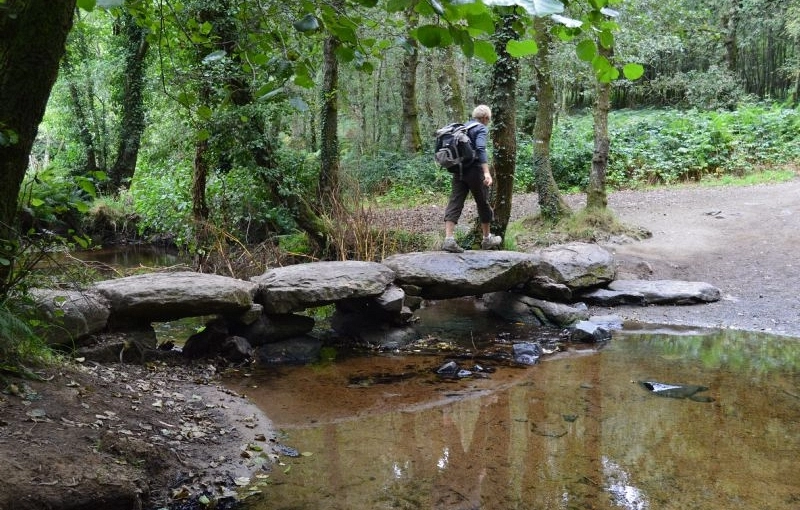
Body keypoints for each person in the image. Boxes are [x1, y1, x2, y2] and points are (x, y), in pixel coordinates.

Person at [441, 104, 502, 253]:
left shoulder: (463, 127)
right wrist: (486, 172)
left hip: (459, 170)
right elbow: (480, 148)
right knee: (483, 202)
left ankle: (449, 239)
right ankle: (487, 239)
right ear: (486, 118)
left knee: (455, 201)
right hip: (474, 171)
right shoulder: (481, 128)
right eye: (489, 119)